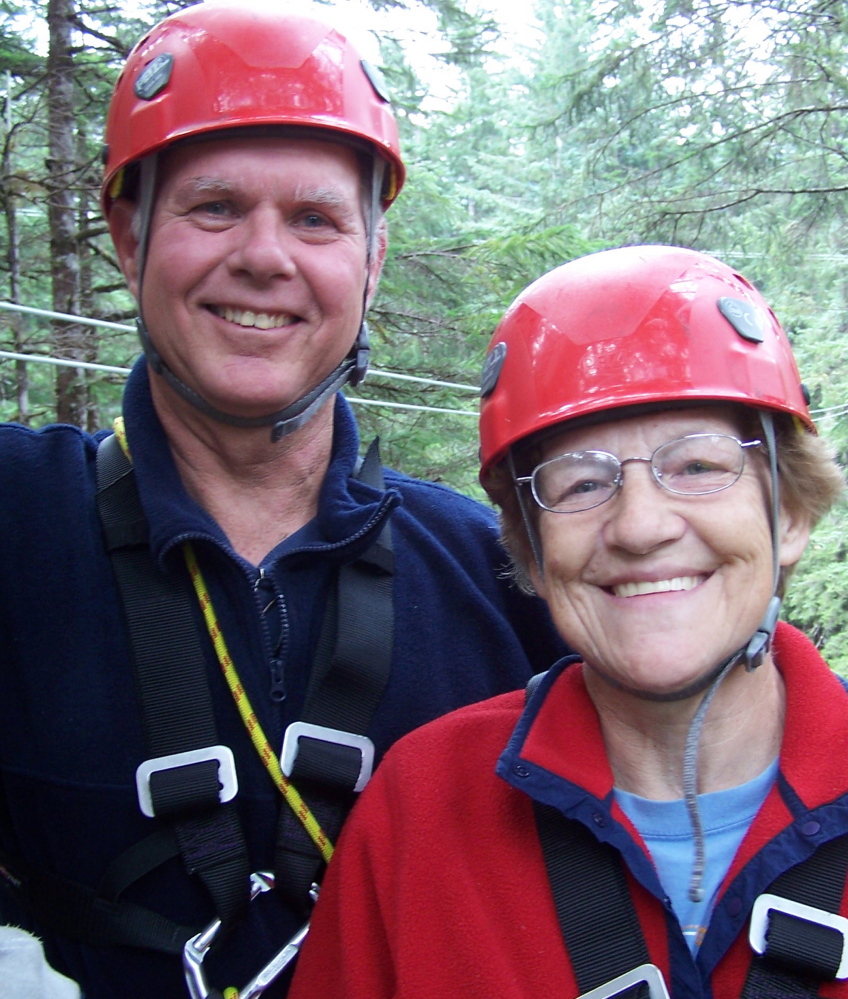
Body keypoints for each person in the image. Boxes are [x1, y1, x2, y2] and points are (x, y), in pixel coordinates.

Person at [0, 4, 565, 998]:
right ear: (131, 237)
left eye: (314, 219)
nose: (265, 256)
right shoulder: (17, 525)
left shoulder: (495, 577)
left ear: (370, 261)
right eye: (214, 207)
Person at [287, 244, 848, 999]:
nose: (641, 526)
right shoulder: (420, 812)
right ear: (533, 547)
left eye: (699, 466)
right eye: (582, 482)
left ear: (789, 512)